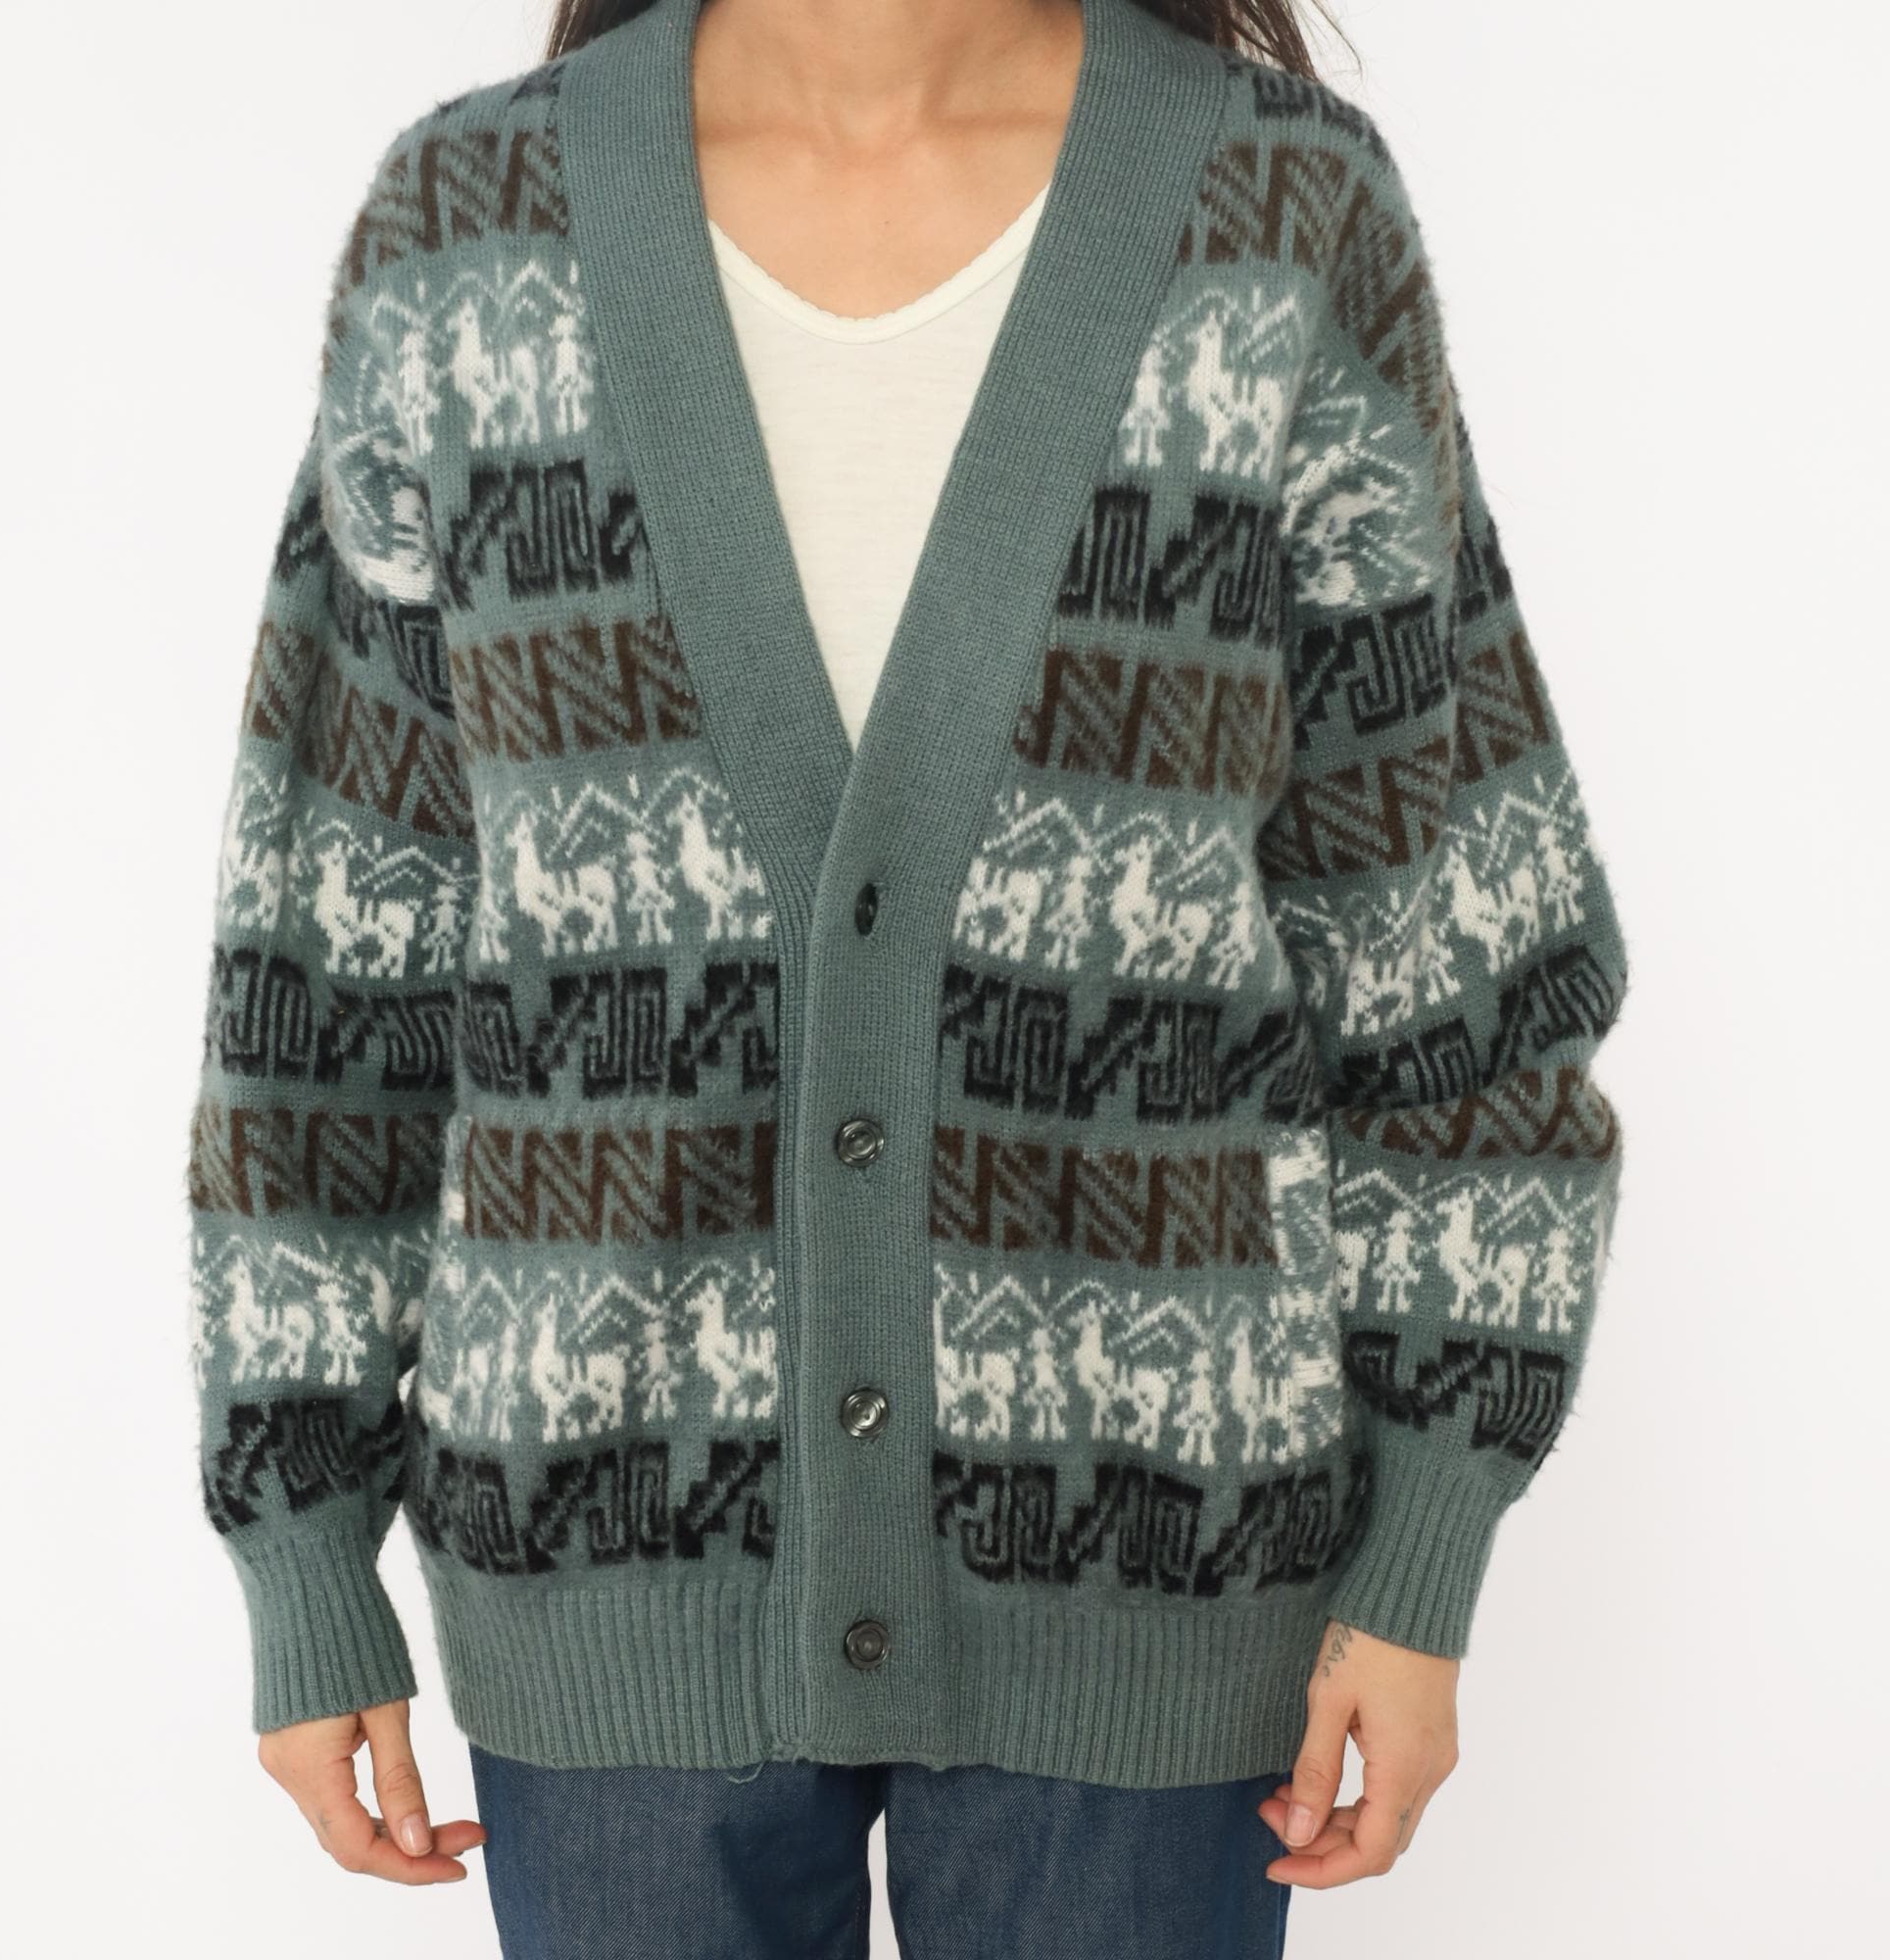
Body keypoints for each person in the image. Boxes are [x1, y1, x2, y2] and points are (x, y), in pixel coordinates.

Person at [182, 0, 1629, 1952]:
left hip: (1157, 1556)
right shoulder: (472, 227)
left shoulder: (1279, 212)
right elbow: (328, 955)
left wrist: (1429, 1536)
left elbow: (1459, 941)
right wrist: (300, 1544)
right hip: (602, 1564)